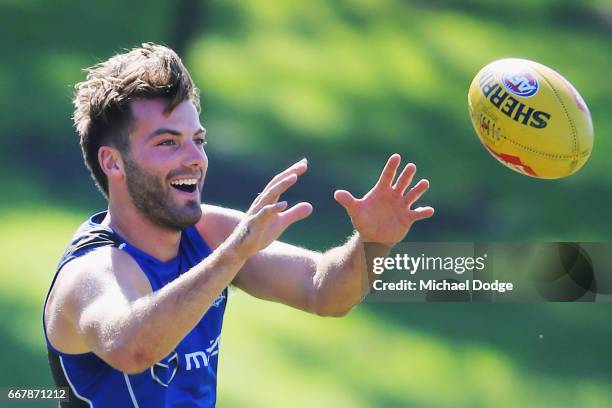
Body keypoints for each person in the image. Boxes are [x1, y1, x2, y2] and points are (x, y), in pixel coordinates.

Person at [43, 43, 434, 407]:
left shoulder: (208, 235)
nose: (195, 157)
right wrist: (234, 253)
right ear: (113, 162)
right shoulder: (90, 272)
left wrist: (372, 243)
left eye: (198, 140)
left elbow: (326, 292)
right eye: (168, 142)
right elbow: (133, 349)